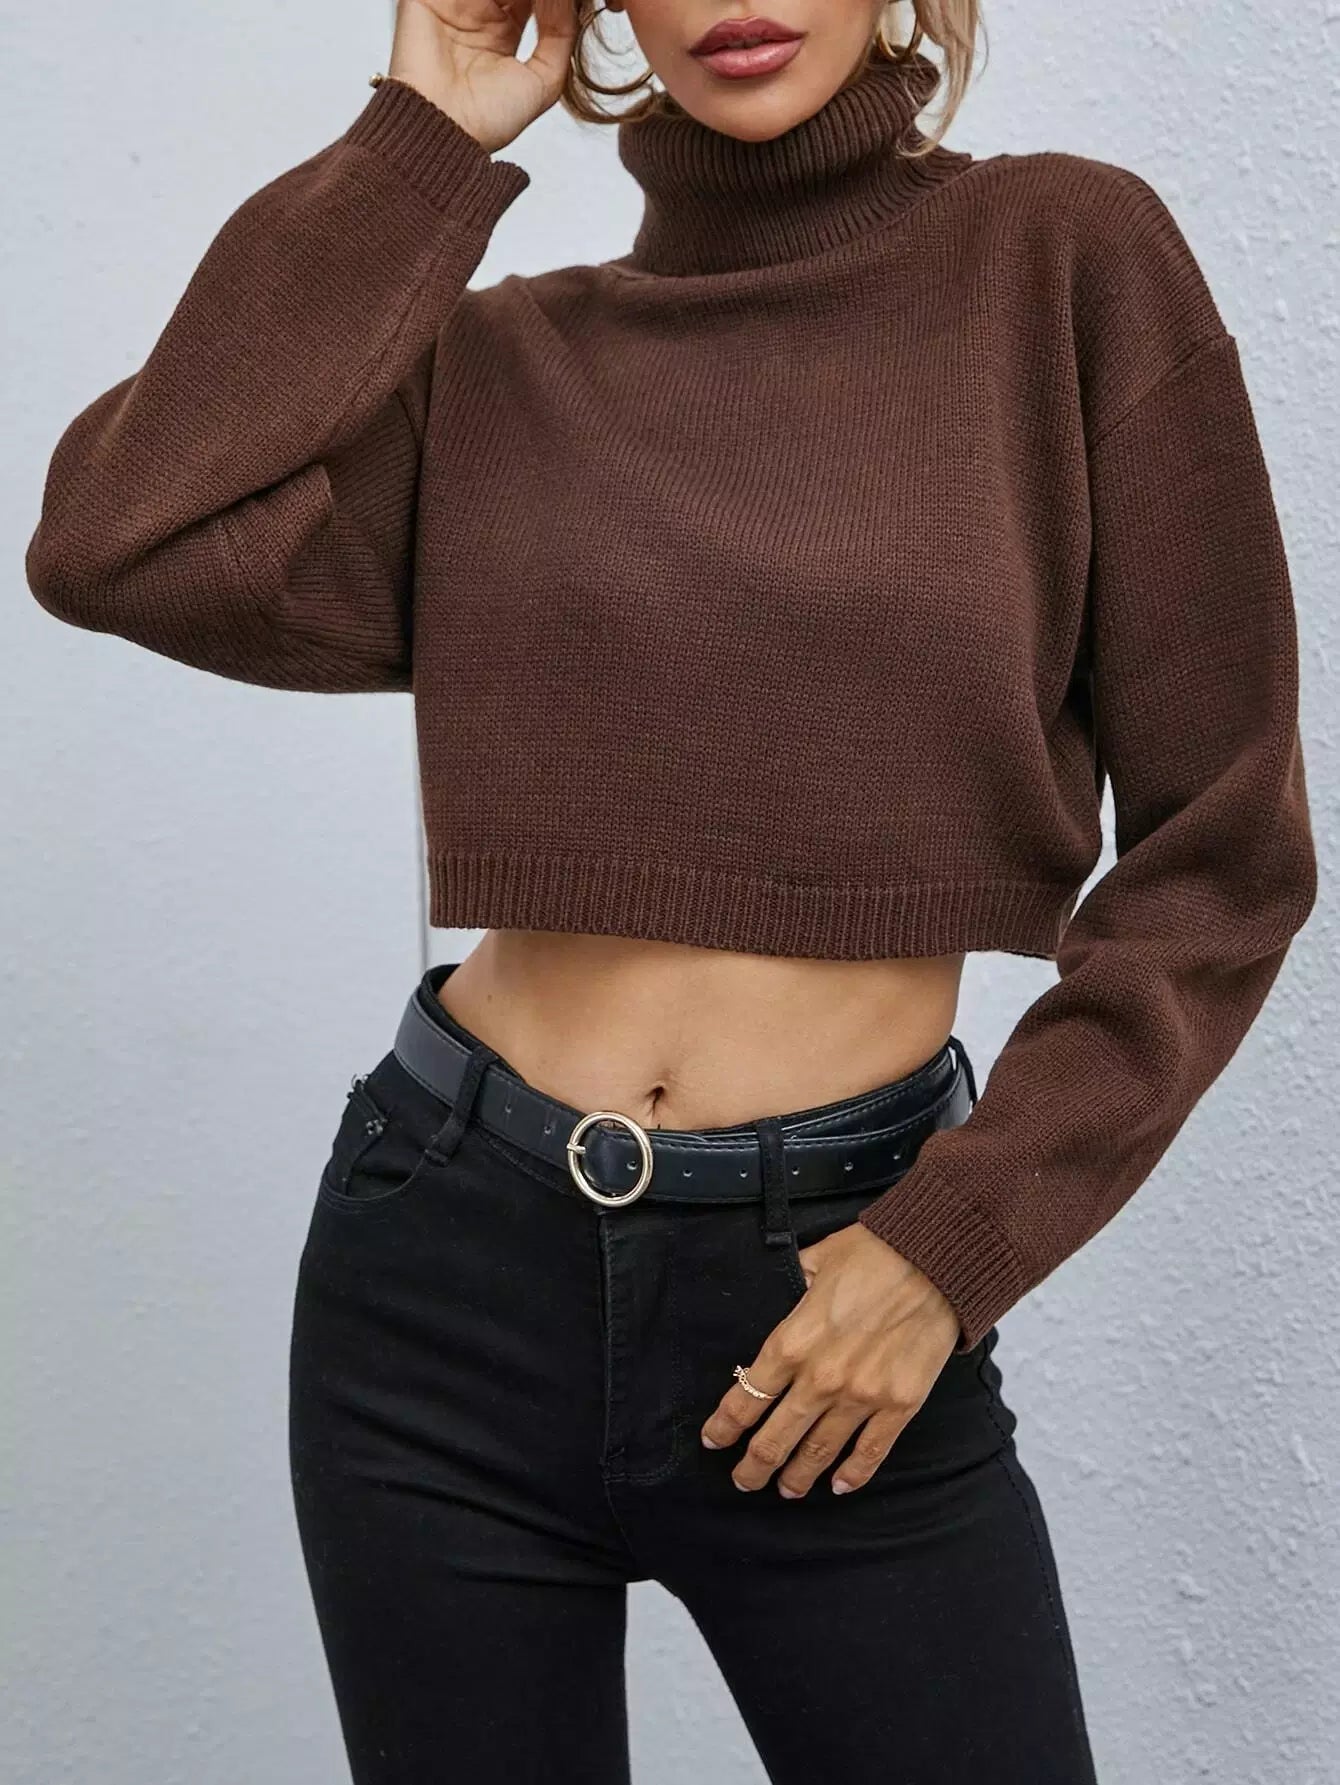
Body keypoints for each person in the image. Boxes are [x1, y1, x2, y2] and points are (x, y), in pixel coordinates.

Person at [24, 0, 1316, 1779]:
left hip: (843, 1289)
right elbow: (114, 540)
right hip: (442, 1278)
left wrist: (951, 1248)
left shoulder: (1063, 259)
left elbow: (1224, 857)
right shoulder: (504, 367)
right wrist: (419, 143)